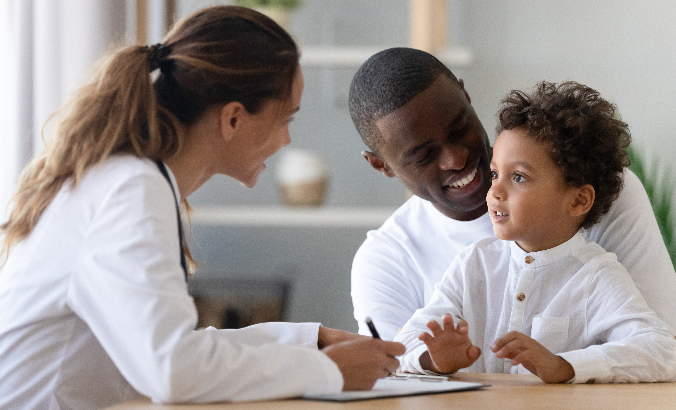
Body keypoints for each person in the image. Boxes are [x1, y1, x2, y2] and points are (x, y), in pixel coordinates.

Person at [0, 6, 404, 409]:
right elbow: (173, 370)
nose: (286, 142)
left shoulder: (126, 179)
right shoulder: (130, 189)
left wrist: (309, 341)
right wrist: (329, 373)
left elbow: (171, 345)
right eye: (286, 120)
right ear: (232, 118)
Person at [348, 47, 676, 341]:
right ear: (382, 165)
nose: (456, 159)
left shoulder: (596, 190)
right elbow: (395, 376)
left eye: (460, 128)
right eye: (423, 155)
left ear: (466, 97)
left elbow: (660, 347)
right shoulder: (386, 260)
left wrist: (559, 370)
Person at [394, 81, 676, 383]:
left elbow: (663, 352)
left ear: (578, 200)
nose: (495, 190)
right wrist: (433, 359)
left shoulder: (596, 276)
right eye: (495, 173)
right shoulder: (474, 264)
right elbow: (403, 345)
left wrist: (564, 365)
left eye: (518, 177)